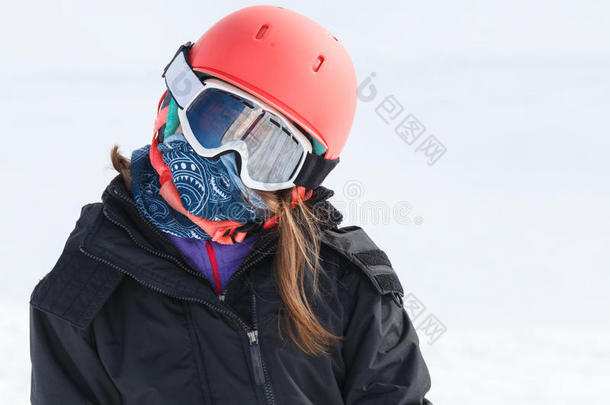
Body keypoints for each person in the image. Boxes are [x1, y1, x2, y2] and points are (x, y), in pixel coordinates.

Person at [29, 5, 432, 404]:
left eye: (269, 155)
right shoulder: (85, 289)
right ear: (171, 108)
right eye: (217, 121)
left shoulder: (345, 285)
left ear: (301, 184)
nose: (228, 158)